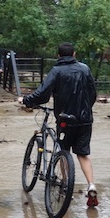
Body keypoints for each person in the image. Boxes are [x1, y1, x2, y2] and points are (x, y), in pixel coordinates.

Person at [18, 42, 98, 207]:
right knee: (83, 154)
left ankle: (66, 187)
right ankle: (91, 185)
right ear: (74, 54)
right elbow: (93, 94)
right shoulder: (85, 69)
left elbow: (42, 94)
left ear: (59, 55)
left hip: (65, 120)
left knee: (63, 151)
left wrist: (26, 101)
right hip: (84, 120)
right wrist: (85, 109)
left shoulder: (56, 71)